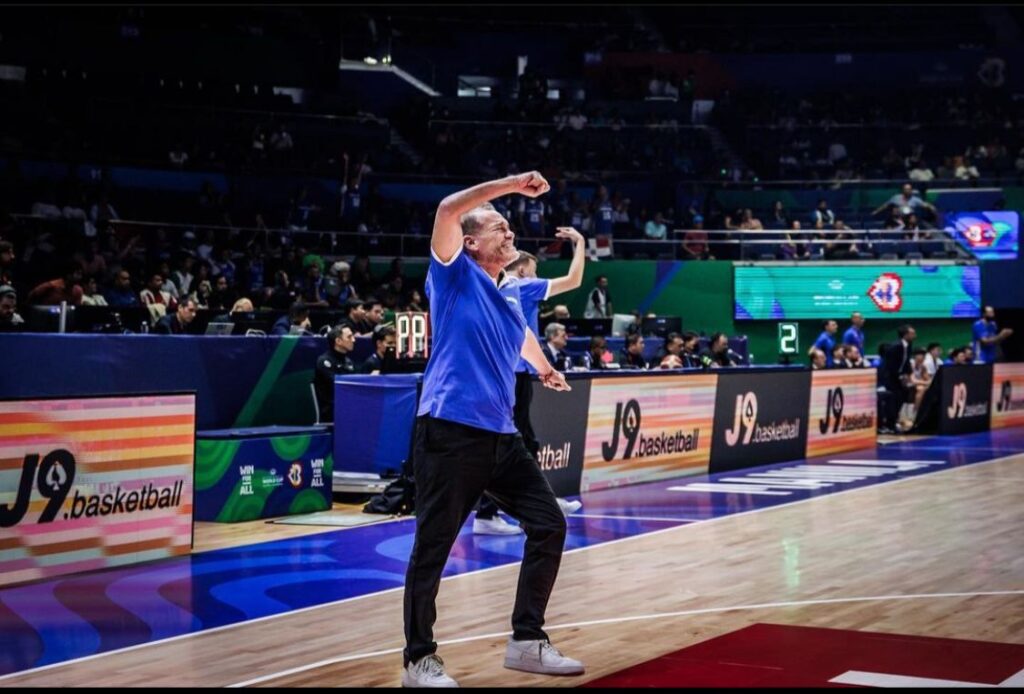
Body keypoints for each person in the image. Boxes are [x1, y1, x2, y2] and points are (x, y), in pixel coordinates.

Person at [402, 172, 582, 687]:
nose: (510, 233)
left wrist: (544, 367)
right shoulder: (453, 274)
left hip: (500, 437)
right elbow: (444, 208)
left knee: (549, 524)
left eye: (508, 227)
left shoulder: (508, 290)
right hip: (448, 430)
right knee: (432, 549)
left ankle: (527, 641)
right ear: (471, 241)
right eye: (499, 227)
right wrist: (509, 187)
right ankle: (419, 661)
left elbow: (521, 336)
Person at [313, 324, 357, 422]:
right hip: (331, 412)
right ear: (338, 341)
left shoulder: (349, 362)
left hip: (349, 408)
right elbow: (340, 386)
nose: (354, 340)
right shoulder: (324, 361)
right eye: (349, 337)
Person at [878, 324, 916, 433]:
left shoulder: (908, 345)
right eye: (912, 333)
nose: (914, 336)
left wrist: (907, 375)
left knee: (901, 398)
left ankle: (893, 422)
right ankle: (890, 425)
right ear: (905, 335)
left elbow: (906, 361)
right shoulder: (895, 346)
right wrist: (899, 376)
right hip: (890, 378)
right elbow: (890, 365)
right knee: (893, 400)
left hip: (899, 377)